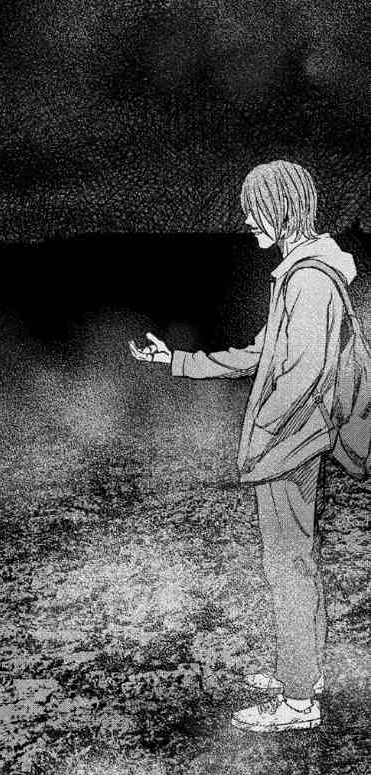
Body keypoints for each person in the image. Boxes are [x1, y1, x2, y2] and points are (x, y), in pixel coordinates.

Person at [131, 159, 351, 733]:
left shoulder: (308, 280)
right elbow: (260, 355)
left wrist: (264, 436)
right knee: (295, 561)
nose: (249, 221)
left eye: (256, 209)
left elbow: (303, 373)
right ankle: (303, 673)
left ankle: (298, 701)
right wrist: (178, 361)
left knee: (288, 566)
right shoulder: (300, 273)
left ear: (282, 209)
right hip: (295, 441)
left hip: (290, 446)